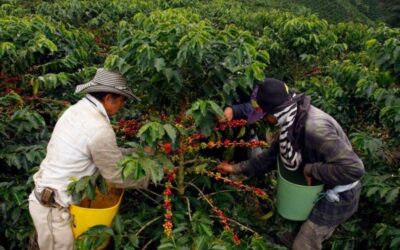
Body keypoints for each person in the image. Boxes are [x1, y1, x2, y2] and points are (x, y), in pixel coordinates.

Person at [216, 78, 365, 250]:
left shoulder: (314, 130)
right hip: (318, 187)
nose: (265, 120)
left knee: (304, 243)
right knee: (289, 236)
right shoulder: (292, 121)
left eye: (264, 115)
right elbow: (270, 157)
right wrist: (235, 168)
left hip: (341, 194)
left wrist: (311, 170)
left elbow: (354, 169)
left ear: (274, 112)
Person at [28, 68, 150, 249]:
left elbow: (105, 153)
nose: (122, 106)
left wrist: (141, 153)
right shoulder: (99, 128)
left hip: (48, 202)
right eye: (122, 101)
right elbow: (115, 176)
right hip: (53, 212)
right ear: (109, 98)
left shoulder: (76, 111)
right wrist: (153, 173)